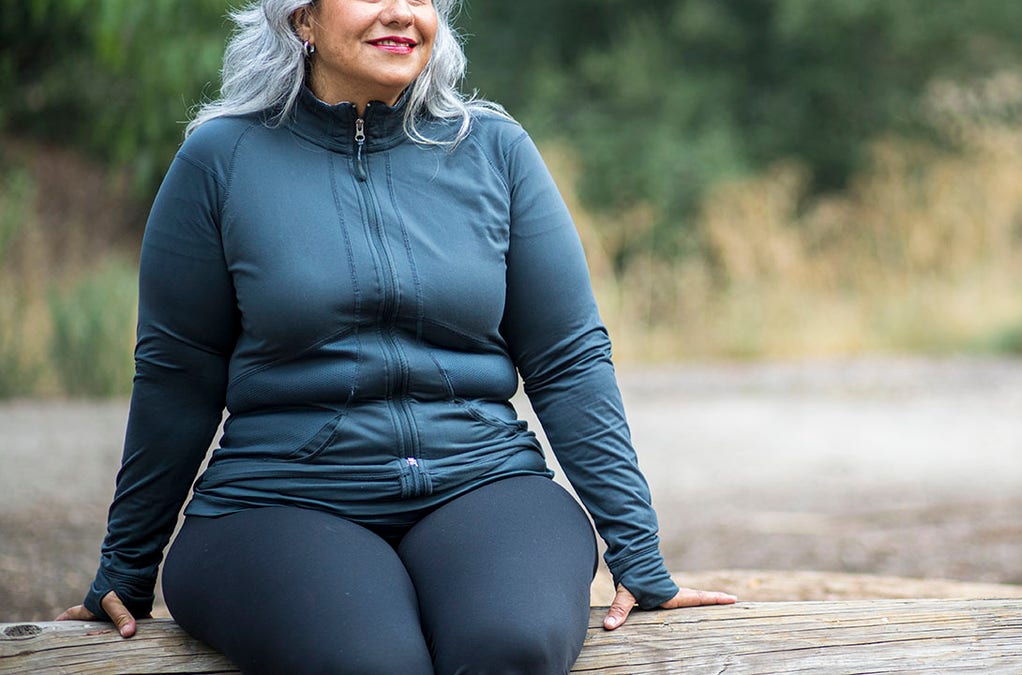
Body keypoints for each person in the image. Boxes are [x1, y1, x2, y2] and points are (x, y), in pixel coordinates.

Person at [55, 0, 735, 672]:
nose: (401, 13)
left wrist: (638, 553)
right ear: (303, 19)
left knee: (509, 646)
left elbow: (568, 360)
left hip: (483, 481)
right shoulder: (220, 160)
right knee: (370, 660)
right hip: (279, 500)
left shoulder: (493, 149)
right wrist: (127, 564)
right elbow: (179, 374)